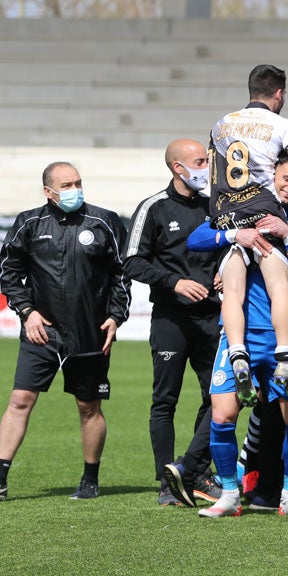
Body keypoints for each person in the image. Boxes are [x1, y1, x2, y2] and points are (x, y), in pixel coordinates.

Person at [185, 153, 288, 519]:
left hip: (282, 335)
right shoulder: (236, 214)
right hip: (239, 334)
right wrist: (235, 234)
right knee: (223, 414)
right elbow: (196, 238)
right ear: (270, 176)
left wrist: (286, 233)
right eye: (284, 178)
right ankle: (229, 493)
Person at [0, 162, 130, 501]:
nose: (75, 189)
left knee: (89, 407)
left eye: (78, 182)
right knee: (19, 400)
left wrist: (116, 317)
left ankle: (90, 479)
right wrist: (27, 312)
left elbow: (122, 275)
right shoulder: (28, 223)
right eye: (66, 184)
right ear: (48, 191)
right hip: (42, 331)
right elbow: (8, 274)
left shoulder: (105, 222)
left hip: (91, 332)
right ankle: (0, 477)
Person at [208, 64, 288, 407]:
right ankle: (285, 360)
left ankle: (237, 354)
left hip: (231, 219)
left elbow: (214, 173)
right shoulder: (281, 125)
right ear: (279, 93)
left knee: (233, 292)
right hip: (267, 215)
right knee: (278, 287)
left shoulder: (221, 124)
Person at [124, 138, 222, 506]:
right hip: (171, 318)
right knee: (164, 400)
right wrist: (174, 281)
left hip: (213, 316)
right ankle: (166, 482)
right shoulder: (153, 207)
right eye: (200, 161)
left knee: (218, 397)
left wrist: (225, 273)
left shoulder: (215, 205)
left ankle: (195, 471)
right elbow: (131, 261)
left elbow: (230, 248)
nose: (206, 167)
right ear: (178, 168)